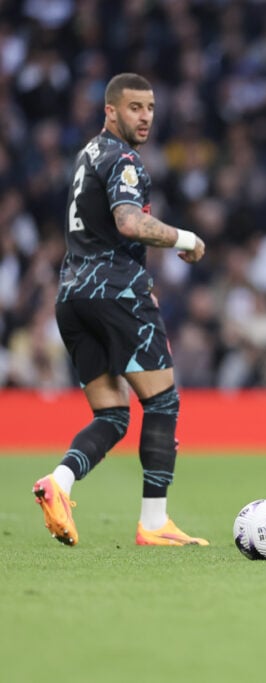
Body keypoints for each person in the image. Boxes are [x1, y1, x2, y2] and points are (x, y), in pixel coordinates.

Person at [33, 73, 209, 547]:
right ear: (110, 111)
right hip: (115, 293)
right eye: (135, 107)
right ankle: (154, 523)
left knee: (112, 416)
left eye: (150, 107)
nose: (146, 115)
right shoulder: (124, 158)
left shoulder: (87, 155)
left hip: (72, 295)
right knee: (162, 401)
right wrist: (187, 239)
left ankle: (59, 483)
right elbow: (129, 222)